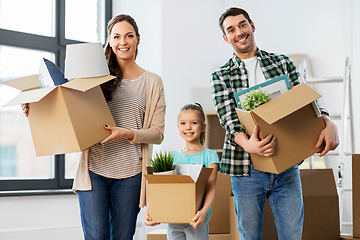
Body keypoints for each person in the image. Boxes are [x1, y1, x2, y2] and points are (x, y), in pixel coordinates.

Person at [23, 14, 166, 240]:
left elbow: (157, 134)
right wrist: (35, 107)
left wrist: (126, 133)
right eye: (116, 36)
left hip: (131, 175)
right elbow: (65, 107)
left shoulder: (152, 82)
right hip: (94, 172)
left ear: (138, 39)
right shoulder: (94, 76)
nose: (123, 42)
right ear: (109, 41)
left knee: (122, 237)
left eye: (129, 36)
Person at [211, 7, 339, 240]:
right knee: (250, 236)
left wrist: (328, 122)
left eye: (242, 25)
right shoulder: (221, 75)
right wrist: (248, 145)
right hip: (245, 169)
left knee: (292, 235)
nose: (239, 32)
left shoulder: (281, 63)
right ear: (225, 38)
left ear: (252, 25)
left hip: (286, 165)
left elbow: (305, 99)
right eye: (231, 29)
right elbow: (228, 117)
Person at [144, 103, 219, 240]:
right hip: (174, 220)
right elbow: (161, 187)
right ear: (178, 127)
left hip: (197, 220)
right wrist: (151, 210)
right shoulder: (172, 157)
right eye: (183, 123)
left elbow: (211, 188)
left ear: (203, 127)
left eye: (194, 123)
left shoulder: (210, 155)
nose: (188, 127)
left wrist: (203, 212)